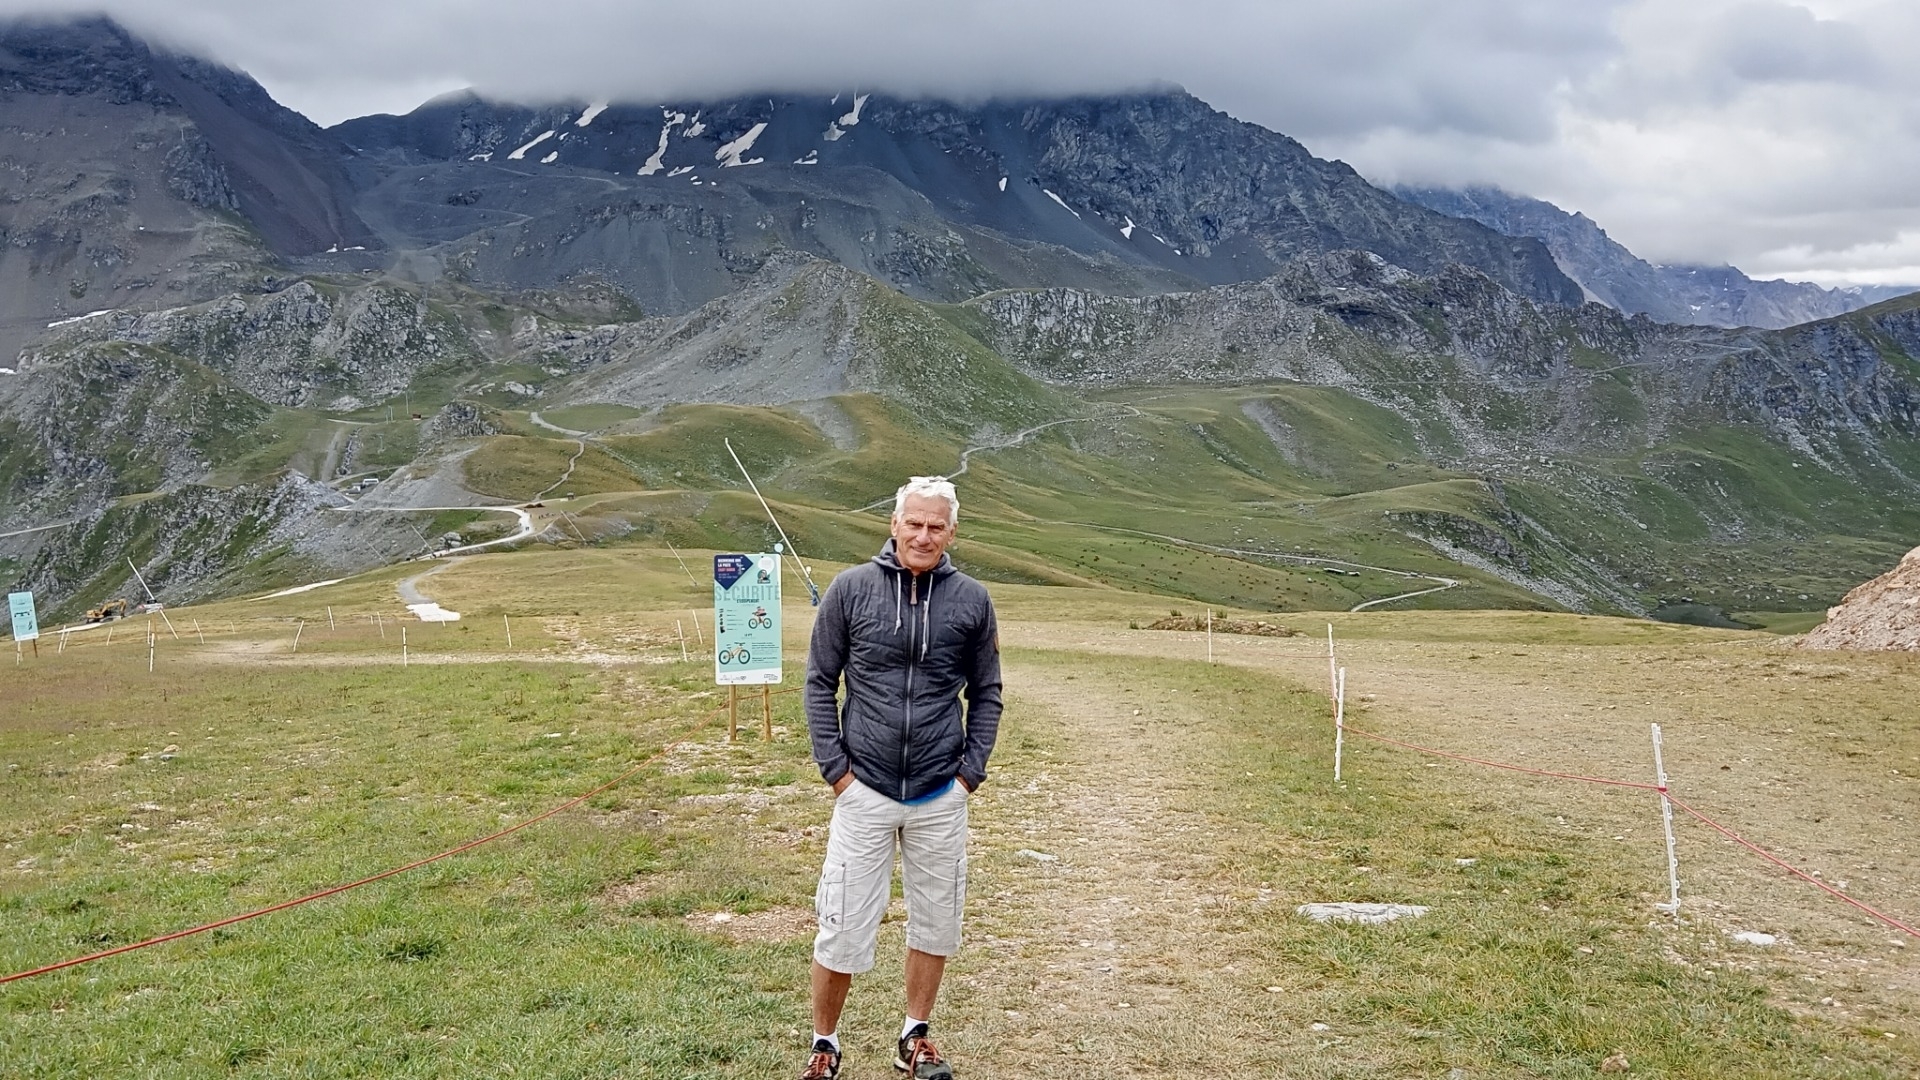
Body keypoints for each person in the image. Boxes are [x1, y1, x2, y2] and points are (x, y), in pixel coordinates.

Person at [799, 476, 1003, 1080]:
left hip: (941, 792)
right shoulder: (850, 589)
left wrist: (969, 775)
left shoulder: (972, 599)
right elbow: (819, 681)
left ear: (952, 532)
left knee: (936, 922)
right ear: (894, 524)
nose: (923, 535)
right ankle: (825, 1044)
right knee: (842, 924)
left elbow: (987, 691)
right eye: (914, 523)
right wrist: (836, 771)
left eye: (936, 526)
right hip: (863, 788)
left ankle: (915, 1036)